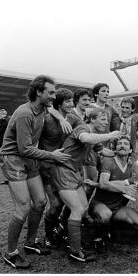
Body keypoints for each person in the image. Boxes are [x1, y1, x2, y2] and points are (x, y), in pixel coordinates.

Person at [0, 75, 71, 270]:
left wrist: (61, 118)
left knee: (40, 202)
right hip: (14, 159)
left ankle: (30, 242)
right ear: (39, 92)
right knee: (23, 207)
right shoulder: (24, 113)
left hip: (30, 159)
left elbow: (53, 109)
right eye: (51, 93)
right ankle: (11, 253)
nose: (54, 97)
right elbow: (23, 149)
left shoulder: (44, 107)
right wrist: (52, 156)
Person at [50, 108, 122, 262]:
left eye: (106, 120)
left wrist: (122, 152)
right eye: (102, 119)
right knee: (77, 209)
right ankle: (75, 251)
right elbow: (85, 139)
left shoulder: (94, 137)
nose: (105, 123)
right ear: (92, 119)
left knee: (82, 209)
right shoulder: (83, 128)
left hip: (74, 172)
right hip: (63, 171)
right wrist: (110, 135)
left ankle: (61, 232)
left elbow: (103, 151)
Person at [39, 88, 84, 249]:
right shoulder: (47, 120)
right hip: (48, 167)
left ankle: (61, 230)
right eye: (68, 101)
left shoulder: (73, 119)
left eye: (72, 101)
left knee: (70, 204)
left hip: (64, 169)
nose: (72, 104)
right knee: (56, 204)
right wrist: (49, 155)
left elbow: (86, 129)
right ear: (59, 103)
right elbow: (34, 142)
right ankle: (48, 235)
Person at [86, 136, 138, 252]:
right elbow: (103, 183)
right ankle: (97, 237)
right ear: (115, 149)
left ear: (131, 150)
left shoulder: (133, 167)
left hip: (117, 207)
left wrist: (135, 186)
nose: (122, 145)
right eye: (119, 144)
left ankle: (111, 228)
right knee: (105, 215)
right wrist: (123, 188)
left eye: (126, 144)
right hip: (100, 204)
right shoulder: (108, 162)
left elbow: (135, 183)